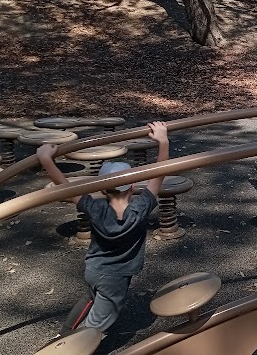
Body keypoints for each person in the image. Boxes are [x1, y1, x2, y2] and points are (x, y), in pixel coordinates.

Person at [36, 121, 170, 337]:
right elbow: (160, 174)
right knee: (98, 325)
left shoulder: (95, 208)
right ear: (133, 186)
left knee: (91, 298)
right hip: (115, 278)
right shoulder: (140, 208)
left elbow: (66, 187)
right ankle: (72, 347)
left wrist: (45, 159)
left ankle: (65, 333)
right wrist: (163, 141)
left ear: (102, 188)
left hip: (94, 270)